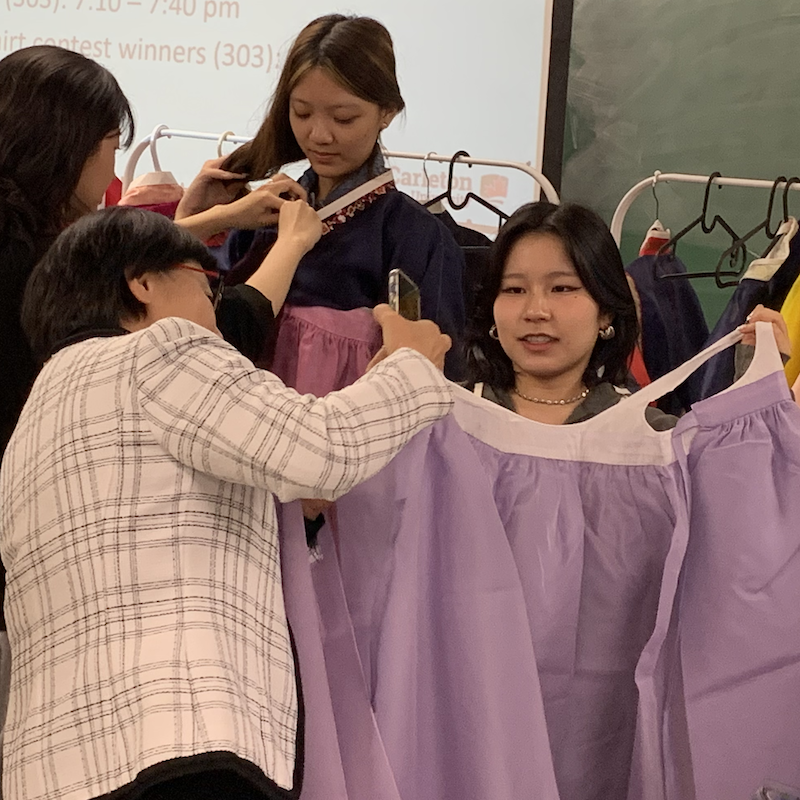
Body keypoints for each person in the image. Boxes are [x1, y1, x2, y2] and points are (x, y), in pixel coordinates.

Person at [0, 205, 452, 800]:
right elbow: (321, 445)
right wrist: (414, 368)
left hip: (50, 766)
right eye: (207, 284)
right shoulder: (160, 349)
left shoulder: (35, 418)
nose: (216, 313)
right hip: (179, 742)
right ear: (142, 281)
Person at [176, 14, 466, 381]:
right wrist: (206, 217)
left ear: (387, 113)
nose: (318, 135)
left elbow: (437, 382)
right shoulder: (260, 218)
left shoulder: (416, 238)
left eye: (343, 118)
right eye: (301, 112)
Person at [465, 201, 791, 426]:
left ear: (605, 311)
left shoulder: (649, 438)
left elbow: (746, 494)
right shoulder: (447, 419)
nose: (535, 311)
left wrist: (757, 384)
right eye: (513, 290)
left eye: (562, 289)